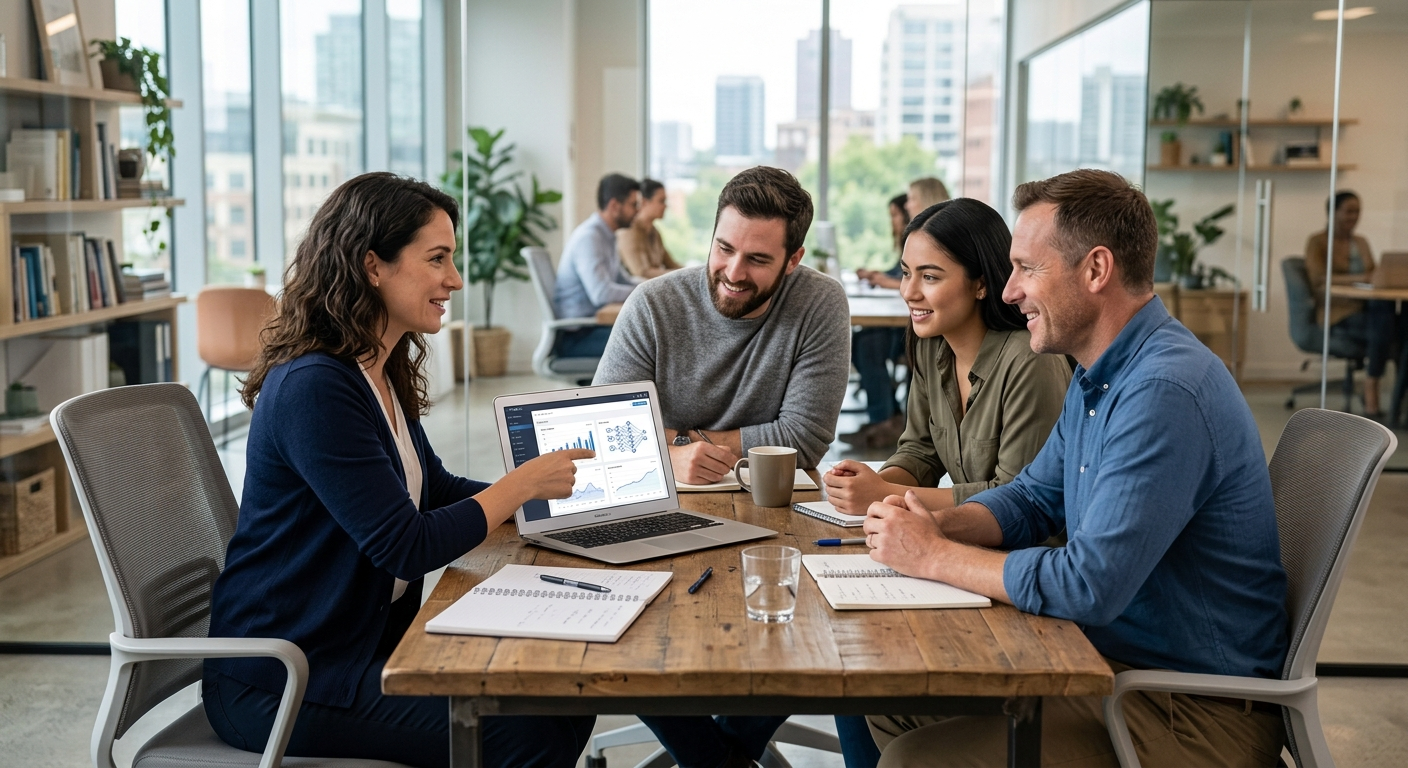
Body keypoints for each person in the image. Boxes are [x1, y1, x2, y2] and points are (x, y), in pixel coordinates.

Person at [864, 169, 1289, 767]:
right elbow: (1034, 499)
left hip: (1187, 708)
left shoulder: (1163, 391)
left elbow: (1088, 585)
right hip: (1106, 664)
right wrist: (931, 528)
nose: (1009, 292)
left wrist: (934, 557)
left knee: (917, 758)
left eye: (1027, 269)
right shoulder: (1101, 376)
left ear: (1095, 270)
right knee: (888, 696)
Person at [205, 173, 595, 768]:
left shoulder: (374, 366)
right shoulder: (315, 387)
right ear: (372, 266)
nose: (454, 280)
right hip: (284, 678)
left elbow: (431, 489)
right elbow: (404, 545)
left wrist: (540, 505)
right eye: (437, 259)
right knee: (527, 733)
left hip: (355, 649)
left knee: (565, 690)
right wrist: (520, 486)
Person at [594, 166, 851, 767]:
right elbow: (605, 423)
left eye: (758, 260)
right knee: (633, 633)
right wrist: (680, 449)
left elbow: (803, 439)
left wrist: (676, 436)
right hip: (658, 510)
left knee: (809, 628)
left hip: (775, 516)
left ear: (793, 259)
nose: (734, 273)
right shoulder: (655, 304)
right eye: (724, 248)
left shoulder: (819, 302)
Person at [825, 198, 1070, 518]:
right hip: (961, 538)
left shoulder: (1031, 361)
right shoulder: (931, 345)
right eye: (905, 273)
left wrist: (885, 493)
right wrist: (870, 486)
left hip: (1024, 555)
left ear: (980, 283)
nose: (909, 292)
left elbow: (1017, 499)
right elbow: (920, 452)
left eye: (929, 277)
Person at [1305, 190, 1396, 417]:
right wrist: (1358, 279)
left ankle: (1397, 399)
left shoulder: (1362, 242)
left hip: (1368, 308)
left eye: (1357, 211)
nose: (1353, 217)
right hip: (1338, 312)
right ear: (1332, 213)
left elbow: (1374, 273)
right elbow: (1317, 278)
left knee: (1400, 322)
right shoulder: (1317, 242)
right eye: (1348, 211)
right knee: (1385, 323)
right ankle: (1371, 386)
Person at [840, 193, 912, 448]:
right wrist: (878, 275)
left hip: (916, 328)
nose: (892, 221)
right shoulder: (910, 241)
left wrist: (882, 279)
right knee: (863, 338)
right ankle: (887, 417)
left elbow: (909, 278)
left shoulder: (926, 236)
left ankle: (885, 419)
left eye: (894, 214)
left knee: (868, 343)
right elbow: (899, 272)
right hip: (904, 321)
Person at [552, 173, 644, 357]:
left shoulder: (606, 237)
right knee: (647, 342)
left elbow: (622, 280)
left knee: (647, 336)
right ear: (614, 206)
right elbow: (601, 294)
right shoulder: (589, 238)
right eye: (633, 205)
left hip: (592, 329)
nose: (637, 211)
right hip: (577, 337)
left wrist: (652, 286)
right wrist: (643, 291)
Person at [618, 177, 682, 278]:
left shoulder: (654, 232)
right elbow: (642, 273)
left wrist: (693, 273)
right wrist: (679, 275)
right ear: (644, 202)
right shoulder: (629, 231)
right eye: (661, 201)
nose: (665, 206)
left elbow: (671, 264)